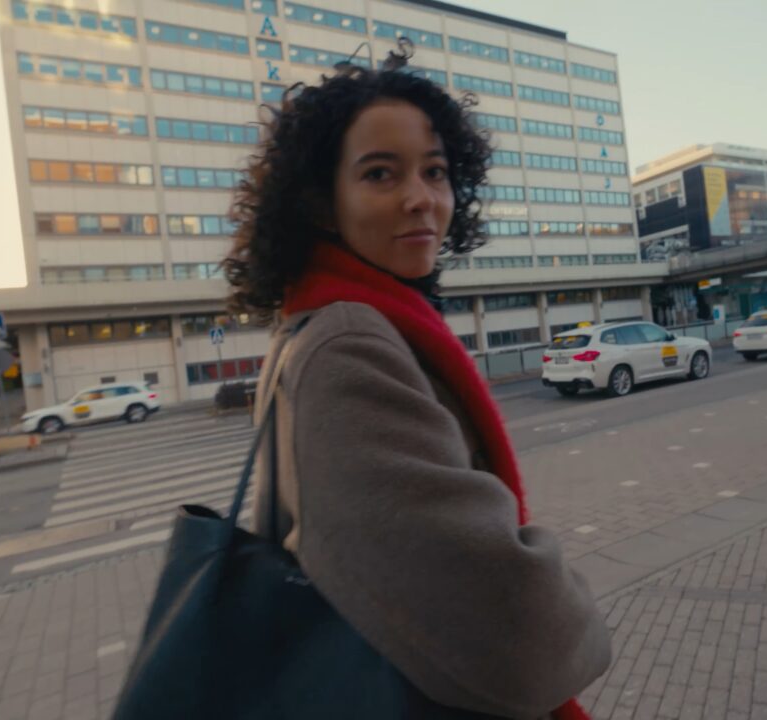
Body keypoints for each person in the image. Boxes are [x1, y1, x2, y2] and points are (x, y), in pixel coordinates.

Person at [224, 44, 612, 719]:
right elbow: (516, 634)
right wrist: (564, 592)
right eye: (380, 174)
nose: (420, 200)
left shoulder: (317, 324)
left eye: (435, 172)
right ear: (321, 203)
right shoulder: (348, 343)